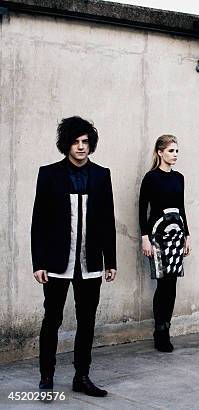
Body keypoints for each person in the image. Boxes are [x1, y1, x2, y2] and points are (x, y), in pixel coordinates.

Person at [31, 116, 117, 397]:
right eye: (76, 141)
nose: (81, 147)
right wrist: (38, 262)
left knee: (87, 321)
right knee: (52, 319)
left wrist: (110, 261)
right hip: (56, 262)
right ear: (66, 144)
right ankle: (47, 376)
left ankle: (82, 376)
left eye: (85, 141)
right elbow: (39, 221)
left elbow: (107, 220)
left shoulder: (102, 175)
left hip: (90, 262)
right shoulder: (49, 174)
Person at [139, 135, 191, 352]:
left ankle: (167, 328)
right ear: (160, 152)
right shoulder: (150, 178)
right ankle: (160, 332)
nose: (175, 155)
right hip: (158, 235)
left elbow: (181, 207)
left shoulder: (179, 178)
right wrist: (145, 238)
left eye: (177, 151)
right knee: (163, 284)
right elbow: (142, 209)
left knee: (172, 286)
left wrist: (187, 235)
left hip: (177, 234)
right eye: (171, 151)